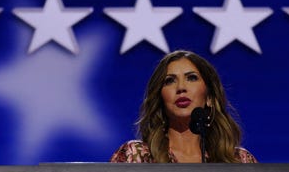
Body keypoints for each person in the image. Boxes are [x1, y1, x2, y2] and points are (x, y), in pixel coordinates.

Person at [110, 49, 257, 163]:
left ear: (209, 98)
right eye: (169, 81)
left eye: (191, 78)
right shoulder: (136, 156)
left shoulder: (240, 160)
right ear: (160, 98)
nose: (181, 87)